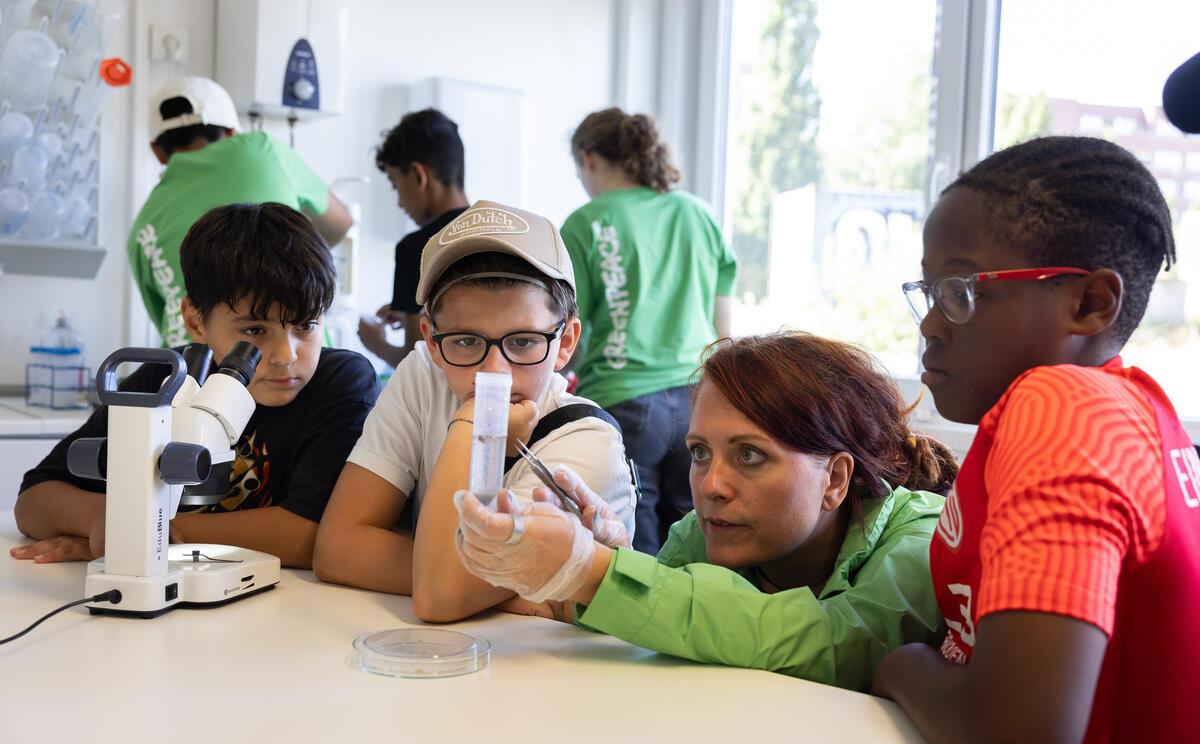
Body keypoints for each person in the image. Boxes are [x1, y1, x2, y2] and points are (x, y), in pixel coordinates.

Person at [869, 136, 1200, 744]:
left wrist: (900, 667)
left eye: (962, 290)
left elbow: (1015, 742)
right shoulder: (1120, 407)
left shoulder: (1064, 406)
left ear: (1090, 304)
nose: (930, 325)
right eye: (930, 291)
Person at [454, 330, 958, 692]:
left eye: (750, 455)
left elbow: (842, 647)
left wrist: (596, 573)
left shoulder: (927, 539)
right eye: (699, 452)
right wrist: (611, 561)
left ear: (836, 479)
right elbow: (663, 630)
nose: (711, 485)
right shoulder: (705, 532)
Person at [313, 199, 638, 623]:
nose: (493, 374)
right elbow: (336, 546)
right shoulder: (425, 373)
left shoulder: (587, 441)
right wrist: (506, 593)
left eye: (523, 342)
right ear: (431, 339)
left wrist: (469, 423)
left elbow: (439, 595)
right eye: (466, 341)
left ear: (566, 341)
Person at [13, 203, 379, 568]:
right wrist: (100, 519)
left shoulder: (341, 383)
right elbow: (32, 500)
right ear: (195, 321)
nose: (286, 354)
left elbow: (305, 536)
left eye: (306, 325)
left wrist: (141, 530)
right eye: (254, 331)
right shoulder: (167, 378)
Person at [562, 108, 738, 555]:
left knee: (630, 546)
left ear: (588, 159)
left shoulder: (587, 222)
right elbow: (725, 330)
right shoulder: (699, 214)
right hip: (700, 398)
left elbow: (569, 330)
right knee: (696, 535)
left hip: (624, 403)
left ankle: (630, 628)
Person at [129, 76, 352, 348]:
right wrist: (295, 256)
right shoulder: (262, 150)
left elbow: (168, 315)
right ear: (232, 133)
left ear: (157, 151)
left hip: (194, 377)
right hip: (297, 365)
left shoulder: (142, 229)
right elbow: (339, 224)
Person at [357, 108, 470, 367]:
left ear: (419, 176)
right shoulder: (498, 233)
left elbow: (416, 363)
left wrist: (376, 343)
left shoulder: (416, 248)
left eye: (396, 185)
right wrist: (408, 306)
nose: (399, 202)